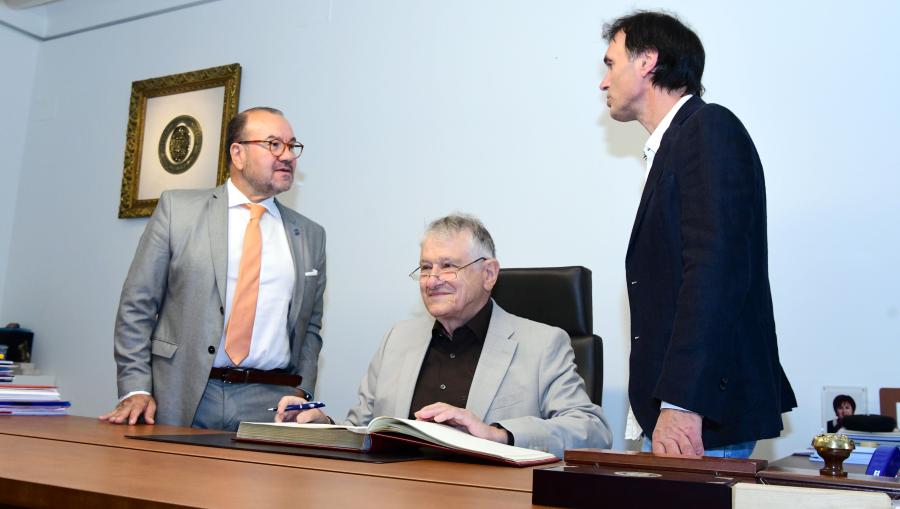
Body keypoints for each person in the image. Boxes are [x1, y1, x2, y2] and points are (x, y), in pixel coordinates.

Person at [599, 11, 796, 458]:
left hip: (698, 419)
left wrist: (683, 402)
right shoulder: (677, 144)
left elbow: (714, 274)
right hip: (685, 415)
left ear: (647, 61)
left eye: (610, 64)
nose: (603, 82)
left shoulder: (708, 130)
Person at [276, 214, 611, 458]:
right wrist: (322, 424)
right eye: (425, 268)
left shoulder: (542, 344)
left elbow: (592, 431)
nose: (432, 280)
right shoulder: (398, 340)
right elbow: (362, 428)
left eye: (448, 266)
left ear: (489, 273)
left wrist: (499, 434)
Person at [99, 107, 326, 430]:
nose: (287, 155)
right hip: (183, 393)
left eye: (292, 146)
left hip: (269, 401)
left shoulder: (311, 235)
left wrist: (301, 391)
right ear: (238, 153)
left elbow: (311, 327)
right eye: (274, 144)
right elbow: (137, 305)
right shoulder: (178, 211)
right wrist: (136, 387)